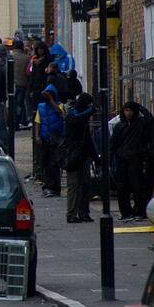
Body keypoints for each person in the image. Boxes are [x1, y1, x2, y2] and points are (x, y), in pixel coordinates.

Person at [111, 101, 153, 221]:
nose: (128, 113)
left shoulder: (139, 123)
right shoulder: (119, 126)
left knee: (137, 187)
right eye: (126, 110)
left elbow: (150, 118)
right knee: (122, 188)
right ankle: (126, 212)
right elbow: (113, 143)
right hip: (122, 159)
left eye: (130, 110)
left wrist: (140, 107)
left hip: (135, 158)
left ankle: (138, 210)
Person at [63, 93, 99, 224]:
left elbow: (88, 139)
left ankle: (83, 212)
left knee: (85, 185)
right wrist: (90, 111)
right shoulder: (73, 114)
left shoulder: (82, 118)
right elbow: (75, 119)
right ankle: (71, 214)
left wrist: (95, 157)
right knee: (74, 185)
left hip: (83, 155)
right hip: (73, 155)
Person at [35, 83, 65, 198]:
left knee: (55, 164)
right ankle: (48, 186)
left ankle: (55, 187)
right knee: (46, 163)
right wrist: (37, 136)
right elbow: (37, 122)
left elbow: (59, 112)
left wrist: (51, 99)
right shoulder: (41, 107)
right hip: (45, 139)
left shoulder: (60, 105)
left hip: (56, 139)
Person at [11, 40, 31, 129]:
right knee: (21, 103)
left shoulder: (10, 57)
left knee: (13, 104)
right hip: (23, 83)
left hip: (12, 84)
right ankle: (21, 120)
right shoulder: (27, 58)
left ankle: (15, 121)